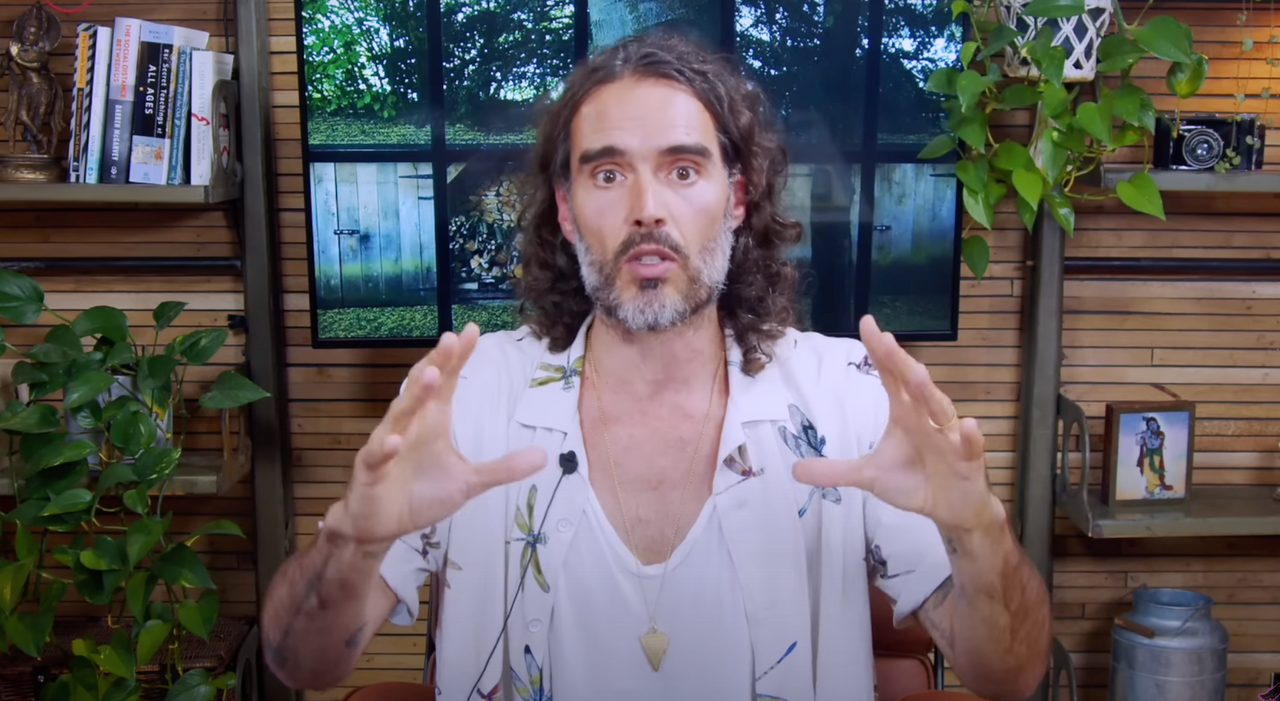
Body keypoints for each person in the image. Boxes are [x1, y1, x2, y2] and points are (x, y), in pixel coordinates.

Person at [261, 31, 1052, 701]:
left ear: (735, 198)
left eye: (682, 169)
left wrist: (978, 530)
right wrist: (353, 541)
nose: (647, 207)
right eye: (608, 173)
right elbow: (301, 664)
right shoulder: (468, 396)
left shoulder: (846, 396)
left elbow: (1010, 674)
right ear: (567, 208)